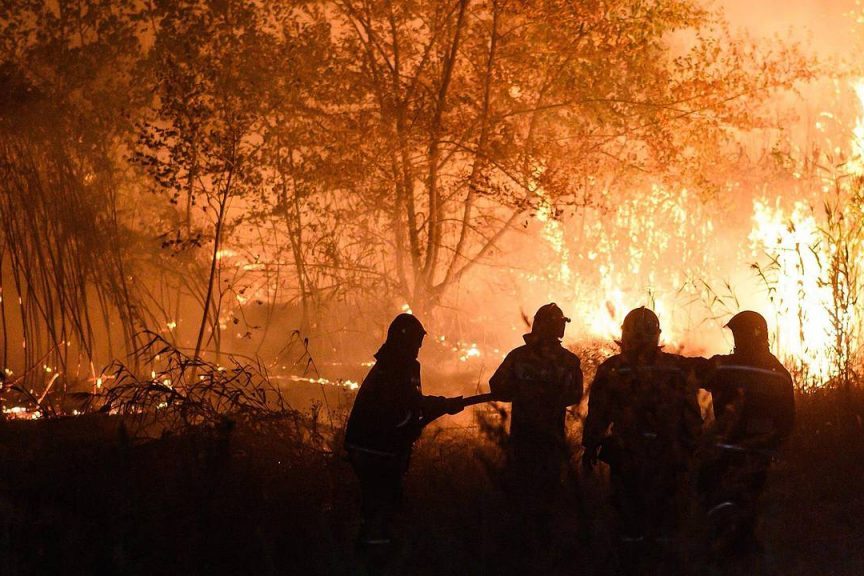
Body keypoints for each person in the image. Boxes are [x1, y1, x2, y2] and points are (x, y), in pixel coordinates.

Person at [582, 307, 706, 555]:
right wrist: (692, 451)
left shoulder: (613, 368)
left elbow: (598, 413)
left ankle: (631, 562)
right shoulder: (677, 368)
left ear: (625, 335)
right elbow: (691, 416)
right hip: (668, 458)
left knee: (629, 523)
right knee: (666, 523)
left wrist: (590, 447)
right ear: (656, 335)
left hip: (627, 457)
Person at [344, 313, 464, 548]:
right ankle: (375, 552)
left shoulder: (398, 364)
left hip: (377, 446)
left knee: (382, 503)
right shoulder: (394, 368)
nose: (419, 347)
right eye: (416, 341)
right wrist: (442, 405)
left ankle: (373, 546)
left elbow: (411, 407)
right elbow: (408, 405)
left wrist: (442, 406)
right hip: (374, 447)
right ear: (404, 339)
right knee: (381, 502)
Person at [698, 311, 794, 566]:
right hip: (760, 455)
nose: (736, 340)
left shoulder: (726, 367)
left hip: (729, 452)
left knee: (719, 503)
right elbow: (787, 422)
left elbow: (692, 372)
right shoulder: (778, 372)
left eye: (738, 334)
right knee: (751, 508)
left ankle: (730, 557)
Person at [489, 303, 583, 547]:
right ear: (559, 327)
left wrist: (525, 390)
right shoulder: (569, 361)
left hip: (522, 439)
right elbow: (575, 395)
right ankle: (544, 545)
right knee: (548, 495)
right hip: (551, 441)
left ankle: (519, 547)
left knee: (520, 494)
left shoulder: (518, 356)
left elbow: (497, 386)